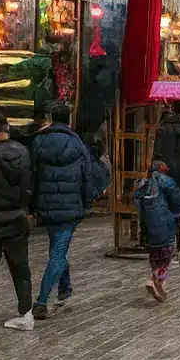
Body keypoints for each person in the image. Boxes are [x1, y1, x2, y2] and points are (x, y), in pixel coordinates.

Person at [31, 103, 105, 320]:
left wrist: (33, 203)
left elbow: (32, 175)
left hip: (47, 206)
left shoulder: (38, 141)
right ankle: (42, 301)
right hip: (71, 208)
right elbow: (87, 175)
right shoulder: (77, 143)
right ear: (69, 119)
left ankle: (66, 288)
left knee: (57, 248)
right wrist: (88, 200)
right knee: (57, 254)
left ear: (52, 117)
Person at [0, 110, 35, 330]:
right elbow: (30, 184)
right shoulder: (24, 152)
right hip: (18, 218)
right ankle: (26, 314)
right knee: (20, 268)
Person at [134, 160, 180, 303]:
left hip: (149, 227)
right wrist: (177, 212)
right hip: (165, 223)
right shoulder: (165, 181)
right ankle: (156, 279)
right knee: (167, 254)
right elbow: (177, 199)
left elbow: (138, 207)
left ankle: (159, 283)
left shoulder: (142, 185)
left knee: (155, 256)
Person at [151, 100, 180, 256]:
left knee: (165, 208)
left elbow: (156, 153)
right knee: (179, 211)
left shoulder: (162, 128)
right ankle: (175, 243)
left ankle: (166, 242)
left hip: (165, 173)